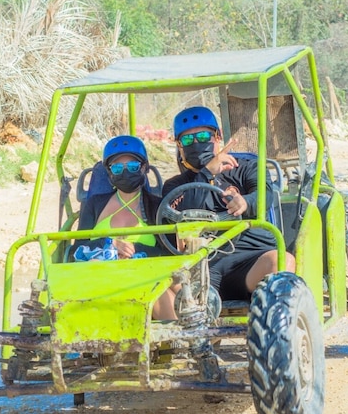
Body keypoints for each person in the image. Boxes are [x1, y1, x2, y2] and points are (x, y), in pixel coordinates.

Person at [162, 106, 295, 302]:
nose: (197, 144)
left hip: (251, 259)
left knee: (282, 261)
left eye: (204, 136)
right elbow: (176, 217)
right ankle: (186, 330)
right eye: (188, 140)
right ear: (179, 146)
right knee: (162, 280)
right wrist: (206, 173)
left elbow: (265, 195)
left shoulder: (246, 167)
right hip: (200, 263)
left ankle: (276, 327)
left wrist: (245, 202)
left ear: (217, 136)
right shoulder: (175, 185)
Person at [73, 135, 176, 320]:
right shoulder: (95, 204)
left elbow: (168, 253)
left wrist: (135, 250)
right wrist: (110, 245)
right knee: (94, 268)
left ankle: (179, 345)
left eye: (133, 167)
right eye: (118, 168)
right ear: (109, 172)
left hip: (146, 277)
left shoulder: (157, 207)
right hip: (102, 275)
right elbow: (75, 249)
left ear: (144, 168)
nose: (126, 172)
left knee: (163, 292)